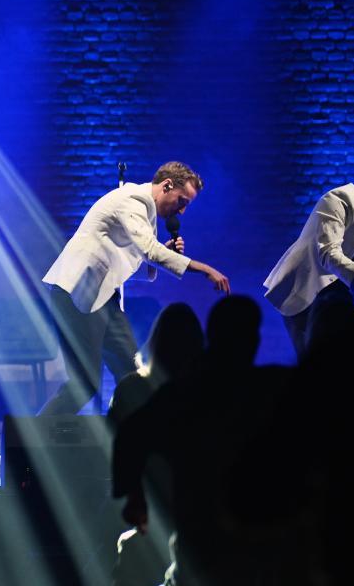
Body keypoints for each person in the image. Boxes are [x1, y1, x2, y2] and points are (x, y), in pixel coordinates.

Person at [37, 161, 230, 417]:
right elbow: (150, 252)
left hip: (103, 298)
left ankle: (129, 435)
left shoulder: (146, 213)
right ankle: (27, 437)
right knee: (85, 383)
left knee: (133, 376)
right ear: (167, 185)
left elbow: (132, 262)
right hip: (76, 292)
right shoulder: (132, 200)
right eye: (182, 201)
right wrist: (204, 269)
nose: (182, 211)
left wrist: (164, 252)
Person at [263, 159, 354, 359]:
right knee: (314, 364)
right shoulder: (338, 200)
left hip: (343, 298)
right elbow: (328, 254)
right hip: (306, 294)